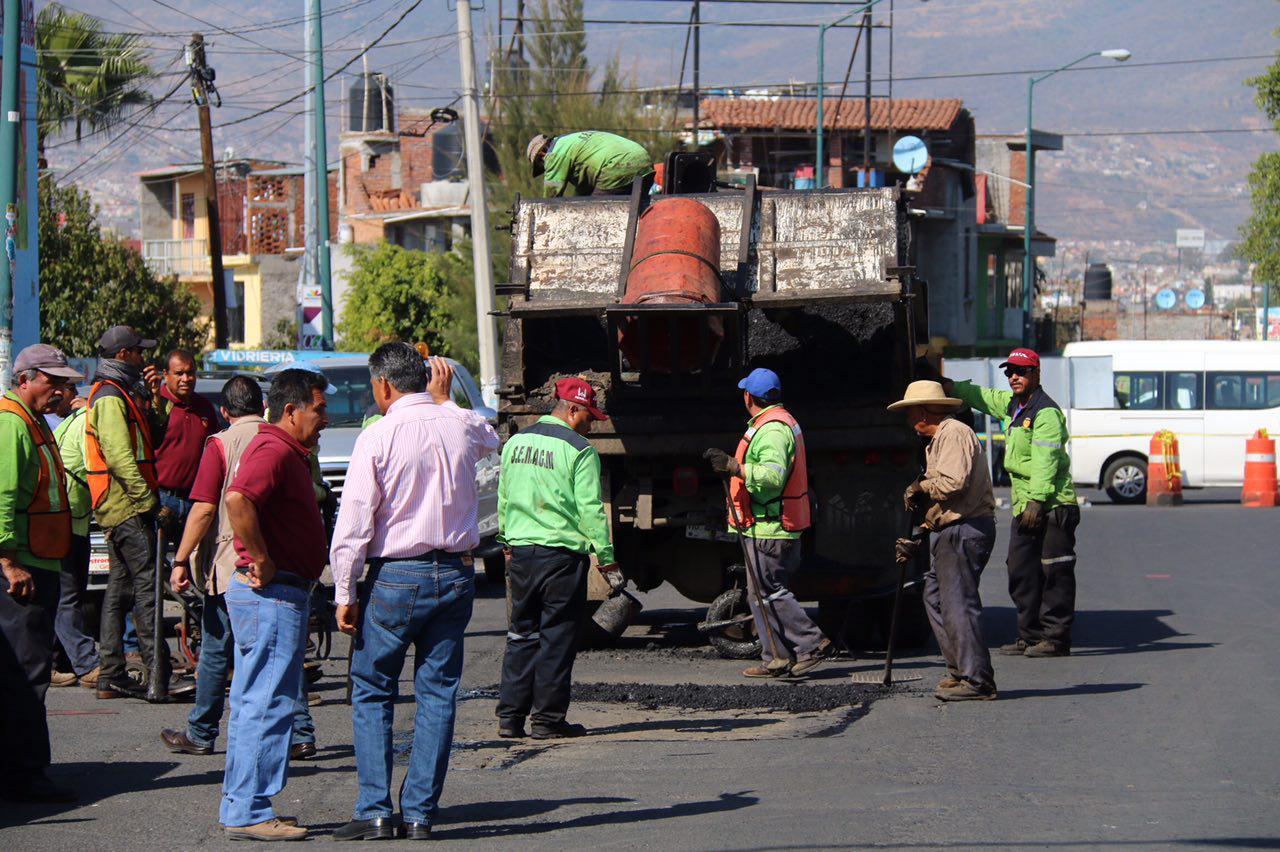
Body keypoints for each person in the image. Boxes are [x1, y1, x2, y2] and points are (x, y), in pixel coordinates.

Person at [329, 345, 499, 841]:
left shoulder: (378, 436)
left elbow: (354, 523)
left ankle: (376, 809)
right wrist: (447, 401)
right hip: (455, 573)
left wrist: (344, 591)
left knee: (374, 687)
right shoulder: (458, 424)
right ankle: (421, 812)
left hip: (396, 577)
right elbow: (491, 436)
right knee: (438, 692)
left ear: (383, 385)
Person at [159, 376, 317, 761]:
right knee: (283, 651)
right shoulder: (286, 437)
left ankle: (201, 731)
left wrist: (181, 559)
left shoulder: (221, 443)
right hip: (281, 562)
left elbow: (206, 508)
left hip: (237, 563)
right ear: (263, 405)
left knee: (217, 647)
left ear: (224, 412)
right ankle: (299, 732)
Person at [218, 368, 329, 842]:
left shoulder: (284, 450)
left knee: (253, 702)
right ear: (292, 410)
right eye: (319, 410)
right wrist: (260, 557)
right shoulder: (274, 449)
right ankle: (250, 810)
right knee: (267, 703)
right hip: (272, 593)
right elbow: (238, 499)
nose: (323, 420)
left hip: (274, 592)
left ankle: (243, 805)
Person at [496, 377, 622, 740]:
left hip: (521, 554)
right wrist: (607, 559)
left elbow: (504, 496)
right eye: (588, 416)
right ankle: (547, 721)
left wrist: (506, 538)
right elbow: (591, 511)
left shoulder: (516, 442)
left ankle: (510, 718)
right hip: (561, 558)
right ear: (572, 410)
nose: (592, 423)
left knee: (521, 633)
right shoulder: (579, 450)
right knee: (556, 637)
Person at [942, 348, 1080, 658]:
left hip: (1051, 504)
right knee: (1020, 570)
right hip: (1025, 505)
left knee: (1054, 572)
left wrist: (1036, 500)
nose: (1013, 377)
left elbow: (1047, 460)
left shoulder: (1046, 413)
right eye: (1009, 372)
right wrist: (950, 387)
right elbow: (983, 396)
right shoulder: (1013, 406)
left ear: (1036, 374)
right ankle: (1029, 636)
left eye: (1020, 371)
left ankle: (1055, 638)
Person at [703, 368, 833, 679]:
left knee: (770, 591)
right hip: (765, 526)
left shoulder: (773, 430)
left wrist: (735, 467)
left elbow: (773, 478)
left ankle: (811, 644)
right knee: (758, 594)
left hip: (771, 527)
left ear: (748, 397)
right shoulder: (774, 423)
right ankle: (775, 656)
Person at [0, 344, 83, 803]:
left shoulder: (30, 421)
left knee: (28, 670)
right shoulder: (12, 423)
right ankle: (23, 776)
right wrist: (8, 561)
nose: (59, 389)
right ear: (26, 378)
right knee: (26, 673)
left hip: (38, 561)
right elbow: (3, 495)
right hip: (23, 568)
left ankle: (20, 769)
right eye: (52, 381)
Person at [888, 380, 998, 701]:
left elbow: (953, 484)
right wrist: (921, 534)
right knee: (935, 599)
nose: (909, 421)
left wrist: (921, 486)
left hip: (965, 531)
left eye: (911, 413)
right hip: (953, 529)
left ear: (923, 411)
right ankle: (961, 670)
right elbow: (944, 506)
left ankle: (977, 681)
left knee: (958, 604)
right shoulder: (936, 441)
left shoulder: (953, 433)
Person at [86, 325, 179, 701]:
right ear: (124, 355)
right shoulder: (110, 395)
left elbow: (153, 438)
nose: (145, 358)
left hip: (120, 502)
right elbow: (121, 458)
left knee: (121, 588)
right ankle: (159, 673)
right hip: (125, 503)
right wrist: (149, 504)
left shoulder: (126, 391)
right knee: (147, 587)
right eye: (140, 352)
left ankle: (111, 674)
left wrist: (157, 399)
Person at [48, 393, 101, 689]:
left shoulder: (70, 422)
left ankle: (56, 661)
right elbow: (96, 466)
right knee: (67, 596)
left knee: (70, 594)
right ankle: (85, 662)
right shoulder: (84, 423)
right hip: (68, 522)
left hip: (73, 521)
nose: (57, 393)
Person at [153, 348, 218, 529]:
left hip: (195, 500)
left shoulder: (204, 407)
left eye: (190, 373)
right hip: (160, 500)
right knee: (155, 557)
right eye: (179, 373)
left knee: (192, 558)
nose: (186, 379)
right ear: (166, 375)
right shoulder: (156, 405)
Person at [527, 131, 654, 197]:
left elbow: (551, 196)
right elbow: (582, 194)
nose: (547, 168)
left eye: (542, 167)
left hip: (618, 166)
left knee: (593, 214)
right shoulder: (571, 142)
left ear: (542, 155)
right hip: (644, 162)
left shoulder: (555, 154)